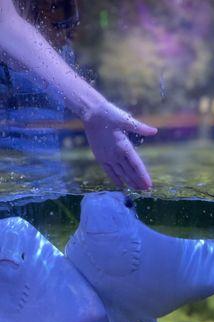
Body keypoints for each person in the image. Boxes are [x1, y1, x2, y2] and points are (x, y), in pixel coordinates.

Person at [0, 0, 158, 190]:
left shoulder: (60, 53)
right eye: (63, 22)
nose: (71, 36)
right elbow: (4, 22)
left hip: (47, 187)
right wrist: (92, 108)